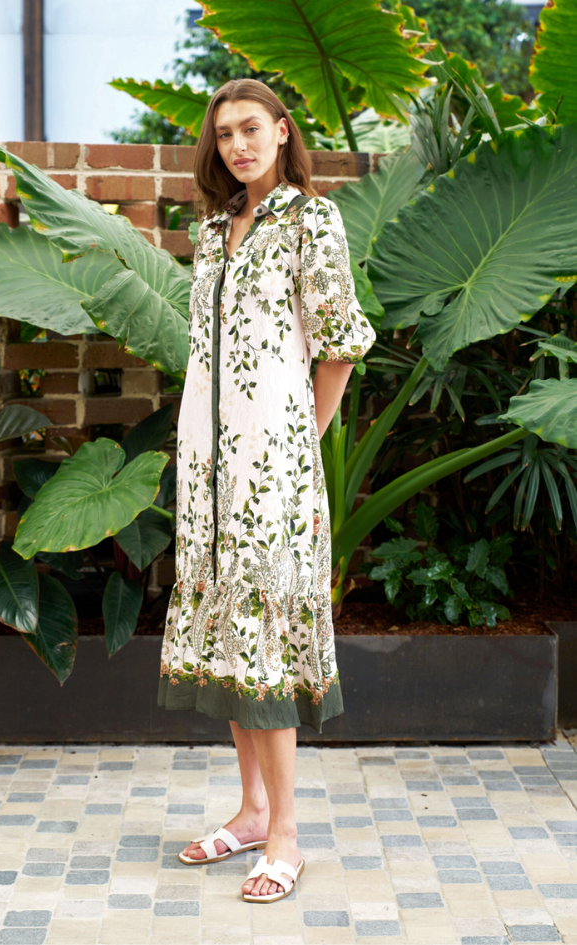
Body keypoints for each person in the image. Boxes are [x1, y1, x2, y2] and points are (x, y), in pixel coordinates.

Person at [157, 77, 376, 902]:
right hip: (208, 469)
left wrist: (299, 441)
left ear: (283, 133)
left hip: (273, 470)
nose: (238, 146)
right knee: (224, 632)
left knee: (266, 640)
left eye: (252, 129)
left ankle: (284, 832)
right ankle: (250, 810)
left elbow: (341, 343)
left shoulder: (311, 220)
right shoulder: (212, 231)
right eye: (224, 135)